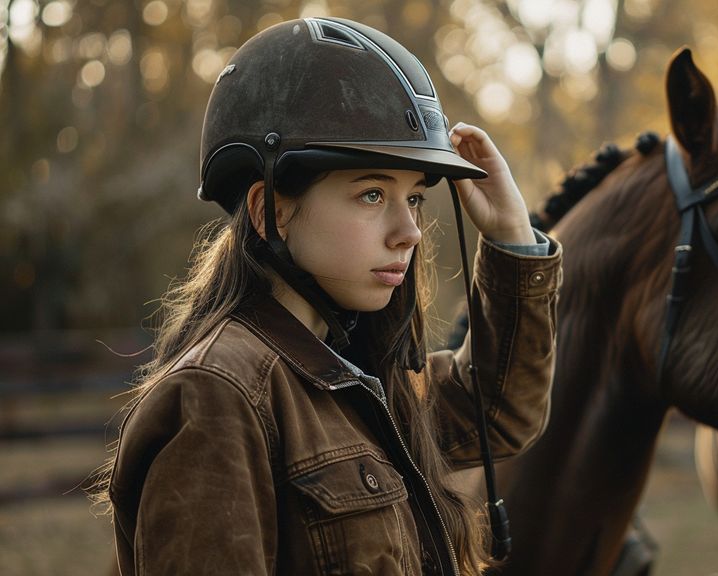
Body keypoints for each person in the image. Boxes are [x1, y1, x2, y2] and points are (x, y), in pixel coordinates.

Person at [97, 17, 560, 576]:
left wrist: (511, 236)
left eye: (413, 198)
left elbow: (498, 411)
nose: (409, 231)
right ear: (272, 210)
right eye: (371, 193)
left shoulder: (353, 377)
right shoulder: (216, 399)